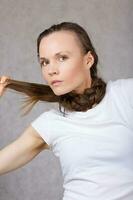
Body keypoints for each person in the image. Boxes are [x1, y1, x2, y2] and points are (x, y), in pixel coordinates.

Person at [0, 21, 133, 200]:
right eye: (44, 62)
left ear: (88, 60)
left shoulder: (124, 94)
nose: (51, 70)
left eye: (62, 58)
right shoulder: (49, 124)